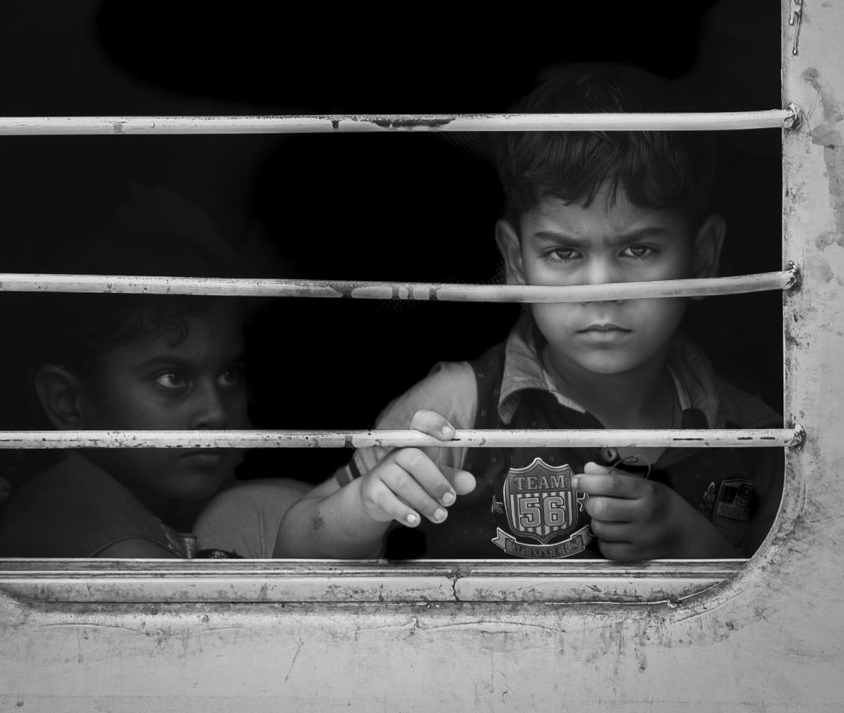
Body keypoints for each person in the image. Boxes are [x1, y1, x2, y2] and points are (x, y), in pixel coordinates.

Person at [275, 64, 783, 562]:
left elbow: (806, 619)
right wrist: (365, 506)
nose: (600, 291)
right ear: (517, 263)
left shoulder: (753, 436)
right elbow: (293, 549)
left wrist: (694, 546)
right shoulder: (455, 412)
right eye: (564, 254)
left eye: (639, 250)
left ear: (704, 256)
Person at [0, 185, 308, 559]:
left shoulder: (68, 492)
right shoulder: (126, 553)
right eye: (172, 379)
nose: (217, 413)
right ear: (68, 401)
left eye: (228, 375)